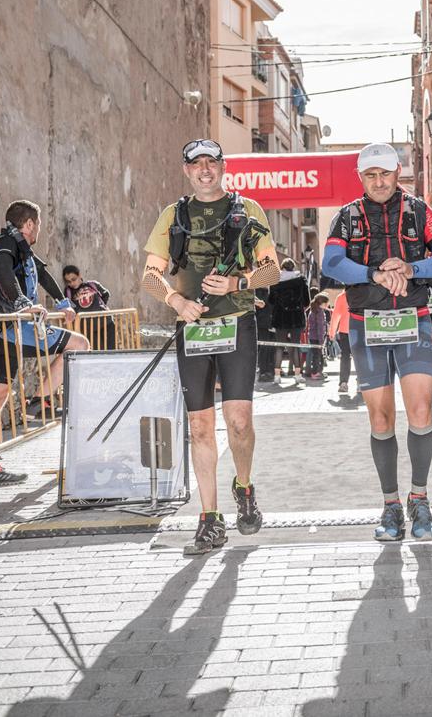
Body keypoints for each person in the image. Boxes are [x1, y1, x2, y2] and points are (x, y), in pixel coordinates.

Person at [141, 139, 280, 556]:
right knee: (200, 427)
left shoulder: (248, 210)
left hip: (237, 325)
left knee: (238, 422)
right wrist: (176, 301)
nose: (205, 170)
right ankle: (210, 519)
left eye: (212, 163)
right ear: (186, 171)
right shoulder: (173, 215)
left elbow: (271, 271)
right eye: (196, 164)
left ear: (223, 167)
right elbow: (150, 275)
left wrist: (239, 283)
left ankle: (243, 485)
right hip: (193, 330)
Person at [322, 143, 432, 541]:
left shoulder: (419, 211)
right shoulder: (347, 217)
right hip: (367, 327)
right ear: (360, 177)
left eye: (385, 173)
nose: (379, 181)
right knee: (381, 420)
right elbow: (332, 264)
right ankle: (390, 507)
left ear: (397, 172)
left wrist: (410, 267)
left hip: (414, 322)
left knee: (420, 410)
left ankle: (420, 499)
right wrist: (376, 275)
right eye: (370, 175)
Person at [0, 199, 90, 483]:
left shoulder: (18, 247)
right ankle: (40, 401)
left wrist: (62, 301)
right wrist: (24, 304)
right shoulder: (7, 246)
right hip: (10, 328)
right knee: (80, 344)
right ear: (30, 224)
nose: (39, 230)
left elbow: (44, 273)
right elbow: (3, 272)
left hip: (2, 330)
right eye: (39, 224)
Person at [268, 258, 310, 381]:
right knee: (295, 345)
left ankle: (277, 376)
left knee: (280, 346)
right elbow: (307, 301)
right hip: (296, 318)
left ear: (282, 267)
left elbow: (271, 301)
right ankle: (297, 375)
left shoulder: (275, 280)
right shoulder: (301, 280)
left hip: (280, 318)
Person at [62, 265, 116, 350]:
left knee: (111, 350)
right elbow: (69, 306)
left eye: (74, 279)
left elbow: (106, 294)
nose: (72, 283)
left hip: (106, 322)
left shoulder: (92, 284)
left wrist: (100, 308)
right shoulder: (68, 292)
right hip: (88, 328)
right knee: (95, 352)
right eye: (68, 281)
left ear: (79, 275)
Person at [329, 293, 353, 396]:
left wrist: (332, 332)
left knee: (345, 357)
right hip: (360, 330)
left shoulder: (341, 297)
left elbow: (335, 316)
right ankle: (361, 382)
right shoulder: (363, 293)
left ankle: (343, 383)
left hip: (344, 330)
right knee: (360, 356)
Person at [305, 293, 330, 379]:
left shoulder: (313, 310)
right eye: (326, 303)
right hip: (317, 337)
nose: (328, 305)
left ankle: (318, 372)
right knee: (317, 356)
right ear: (321, 303)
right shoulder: (320, 313)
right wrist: (321, 341)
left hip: (312, 336)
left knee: (316, 355)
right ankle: (315, 373)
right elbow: (320, 328)